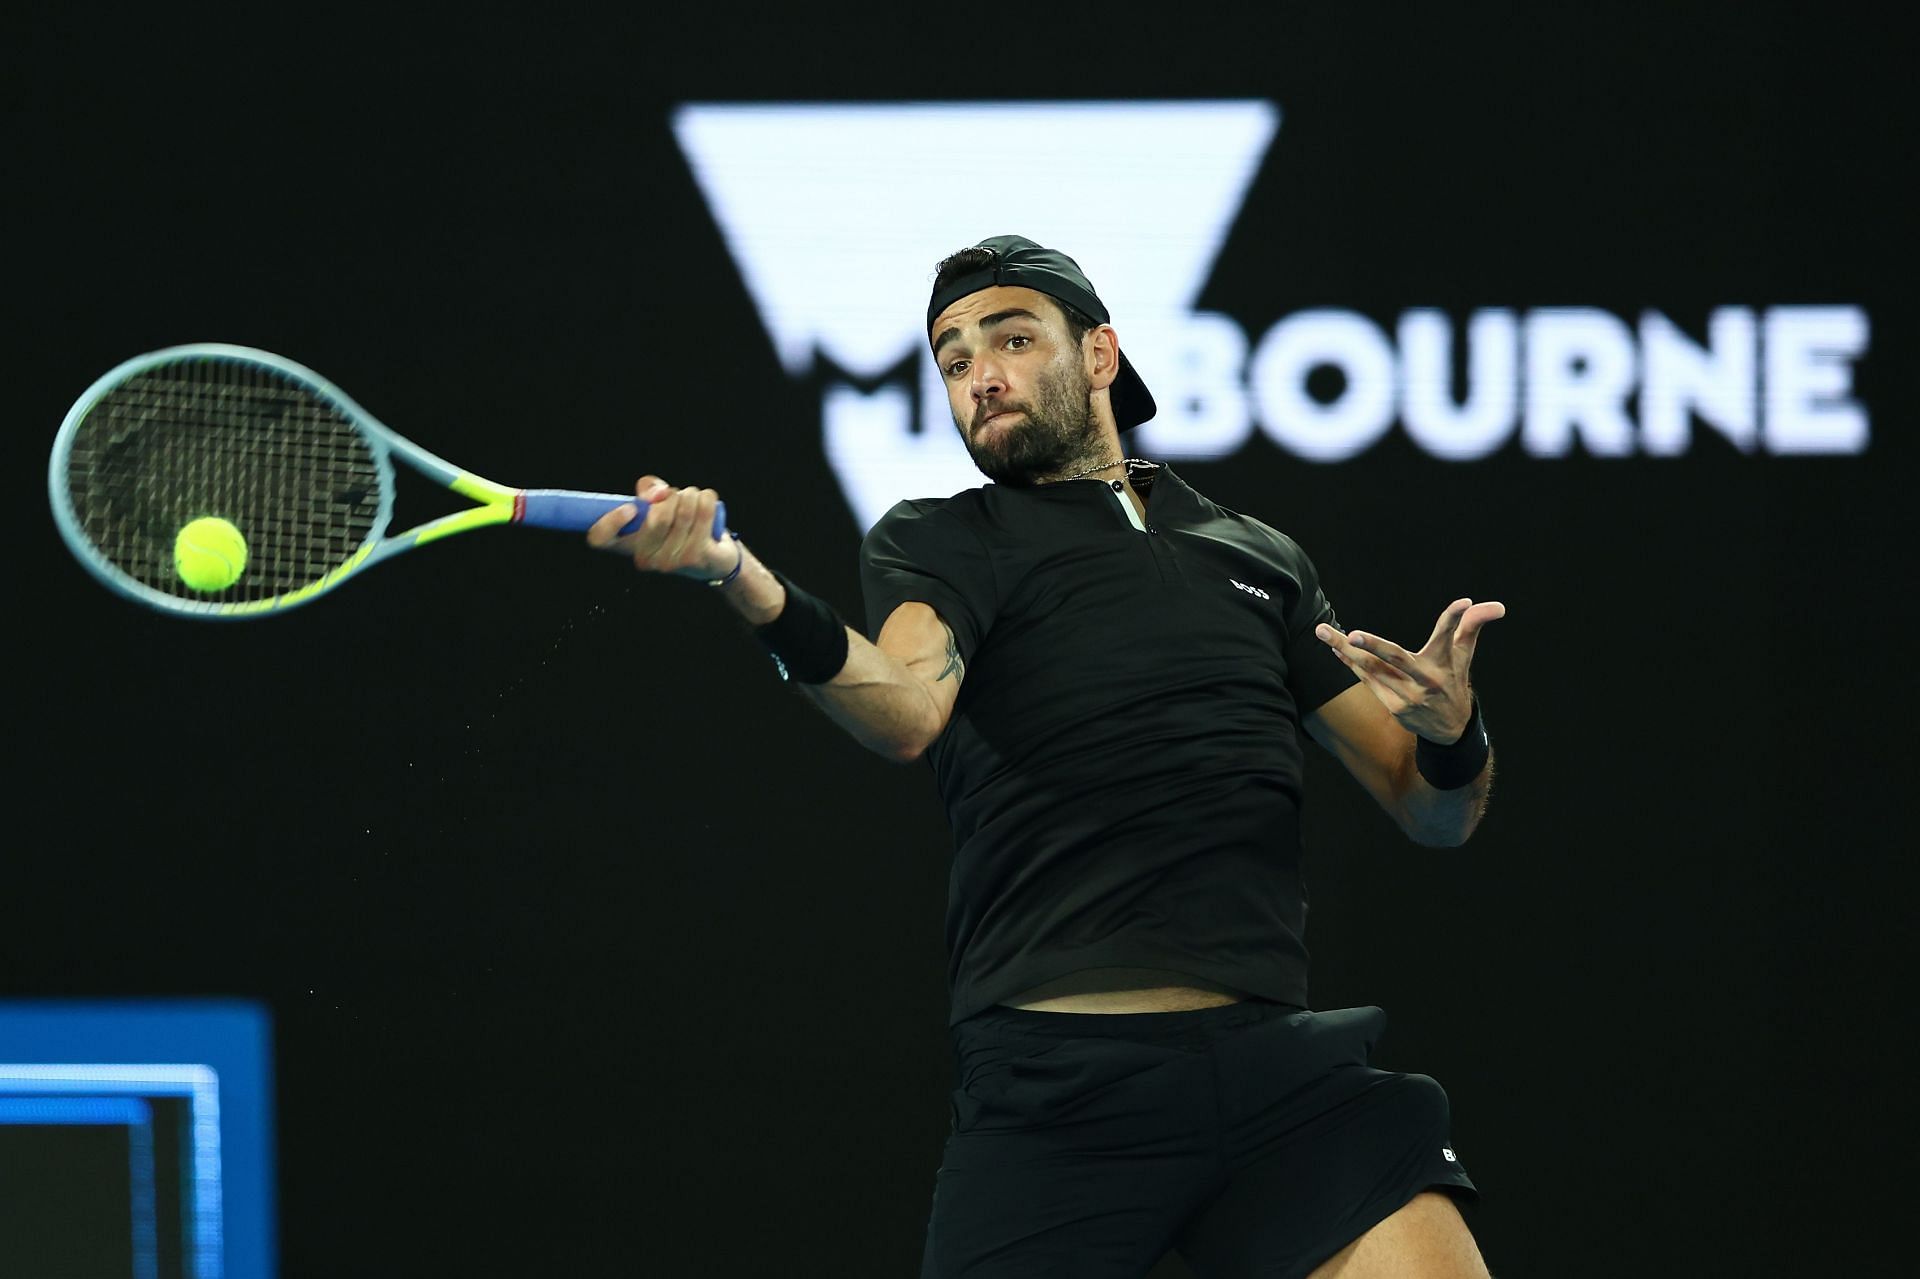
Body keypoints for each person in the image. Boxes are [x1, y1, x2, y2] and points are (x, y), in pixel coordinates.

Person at [588, 235, 1504, 1278]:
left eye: (1011, 337)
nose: (978, 372)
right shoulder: (943, 540)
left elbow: (1434, 811)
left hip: (1281, 1083)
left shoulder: (1258, 558)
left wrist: (1451, 737)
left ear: (1101, 355)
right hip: (1060, 1095)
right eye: (952, 357)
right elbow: (902, 710)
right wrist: (741, 577)